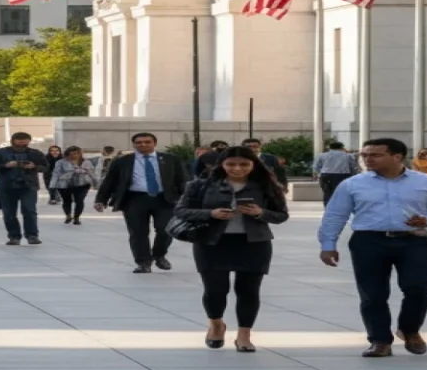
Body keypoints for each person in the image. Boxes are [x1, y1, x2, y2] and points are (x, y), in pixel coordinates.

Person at [318, 138, 427, 358]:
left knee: (419, 287)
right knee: (373, 294)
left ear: (397, 157)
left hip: (413, 240)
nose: (367, 159)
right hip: (368, 242)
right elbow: (335, 215)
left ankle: (409, 330)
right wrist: (328, 244)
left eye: (375, 155)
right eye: (364, 155)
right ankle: (380, 340)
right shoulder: (353, 184)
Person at [174, 146, 288, 353]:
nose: (237, 168)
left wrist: (260, 212)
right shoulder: (202, 184)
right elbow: (181, 210)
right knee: (215, 289)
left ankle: (244, 335)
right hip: (212, 242)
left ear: (254, 165)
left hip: (254, 243)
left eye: (244, 164)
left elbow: (281, 215)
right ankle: (216, 325)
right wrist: (211, 213)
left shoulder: (266, 185)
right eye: (231, 164)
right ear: (222, 165)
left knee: (249, 290)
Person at [95, 132, 188, 273]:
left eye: (147, 142)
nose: (143, 145)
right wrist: (101, 200)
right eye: (139, 142)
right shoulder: (122, 161)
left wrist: (187, 199)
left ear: (154, 143)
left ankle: (159, 255)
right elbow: (110, 181)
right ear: (134, 145)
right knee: (138, 232)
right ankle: (143, 262)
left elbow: (182, 180)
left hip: (164, 199)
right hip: (135, 199)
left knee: (166, 229)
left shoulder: (170, 160)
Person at [0, 133, 48, 245]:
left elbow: (45, 167)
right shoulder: (0, 152)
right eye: (18, 144)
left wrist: (34, 166)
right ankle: (14, 236)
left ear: (29, 141)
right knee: (9, 213)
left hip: (29, 186)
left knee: (29, 211)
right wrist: (6, 165)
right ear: (12, 141)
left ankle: (32, 236)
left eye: (24, 144)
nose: (21, 146)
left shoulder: (35, 153)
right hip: (6, 187)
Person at [51, 146, 99, 225]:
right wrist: (53, 185)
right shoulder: (61, 162)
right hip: (65, 184)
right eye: (72, 154)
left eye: (76, 153)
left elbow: (92, 172)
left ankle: (76, 217)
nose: (74, 156)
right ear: (67, 154)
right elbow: (56, 174)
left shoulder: (87, 162)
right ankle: (68, 215)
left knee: (79, 200)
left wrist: (96, 183)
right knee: (67, 201)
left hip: (83, 184)